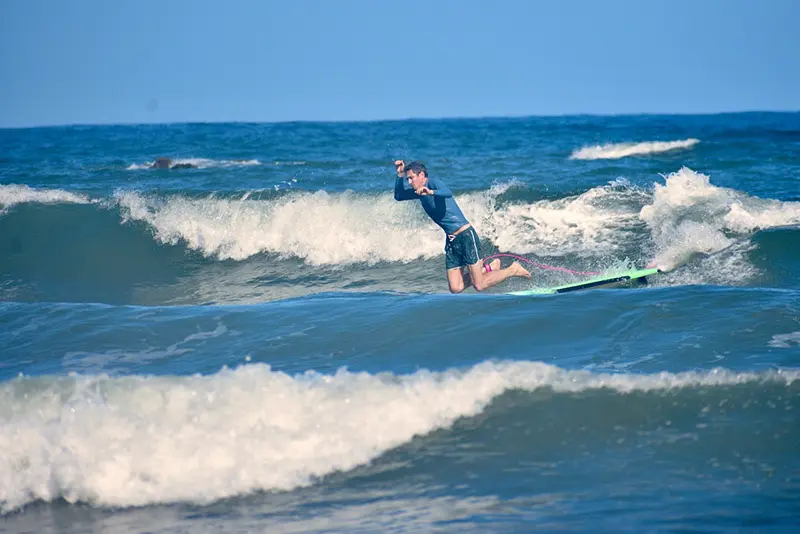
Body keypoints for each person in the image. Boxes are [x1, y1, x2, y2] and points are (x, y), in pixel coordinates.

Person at [393, 160, 531, 293]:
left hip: (465, 235)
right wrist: (399, 175)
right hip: (452, 241)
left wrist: (431, 192)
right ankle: (488, 268)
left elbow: (447, 192)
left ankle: (513, 269)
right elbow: (399, 196)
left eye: (411, 178)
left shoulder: (432, 183)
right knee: (455, 287)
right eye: (408, 179)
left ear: (421, 175)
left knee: (479, 285)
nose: (409, 182)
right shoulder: (418, 192)